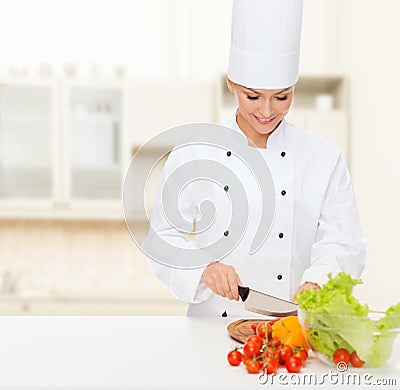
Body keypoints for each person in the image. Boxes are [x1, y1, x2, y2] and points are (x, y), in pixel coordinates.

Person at [143, 0, 366, 317]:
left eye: (281, 97)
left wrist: (318, 281)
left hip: (291, 330)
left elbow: (344, 243)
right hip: (212, 331)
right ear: (231, 84)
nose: (266, 111)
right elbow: (162, 237)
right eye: (253, 96)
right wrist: (203, 269)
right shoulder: (195, 151)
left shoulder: (324, 158)